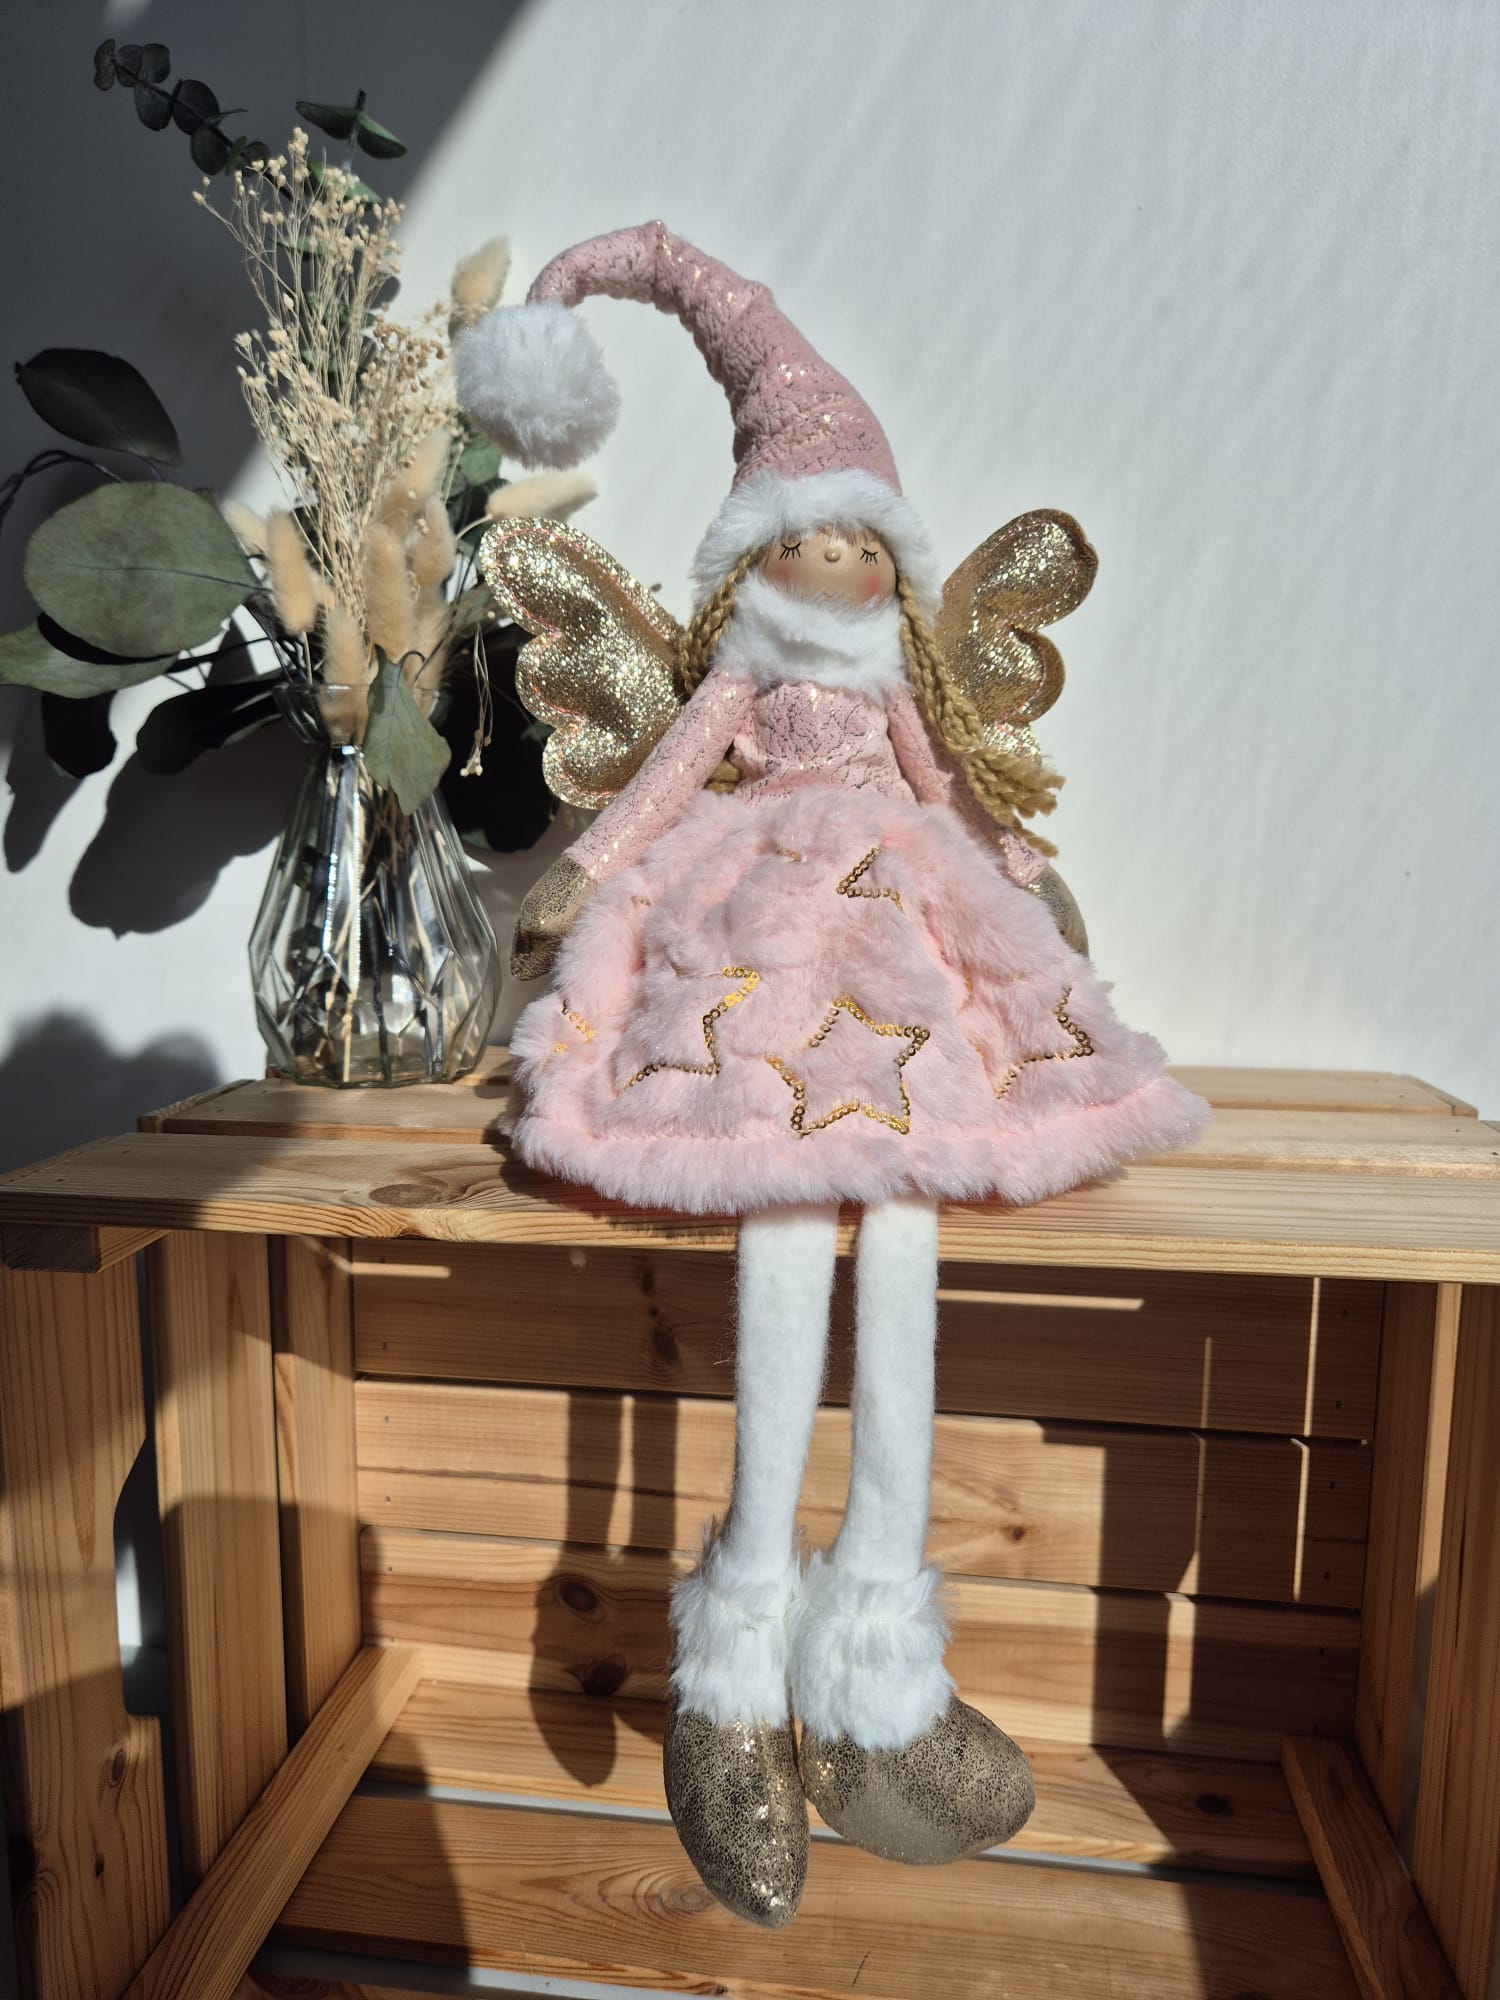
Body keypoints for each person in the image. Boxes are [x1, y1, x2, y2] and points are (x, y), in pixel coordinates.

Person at [457, 221, 1209, 1927]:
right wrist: (583, 878)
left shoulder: (892, 687)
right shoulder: (742, 676)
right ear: (761, 555)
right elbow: (664, 786)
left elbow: (953, 791)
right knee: (785, 1219)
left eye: (872, 541)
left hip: (899, 976)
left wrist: (1026, 882)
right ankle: (732, 1676)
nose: (849, 566)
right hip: (761, 956)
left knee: (909, 1228)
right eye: (819, 538)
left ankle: (879, 1661)